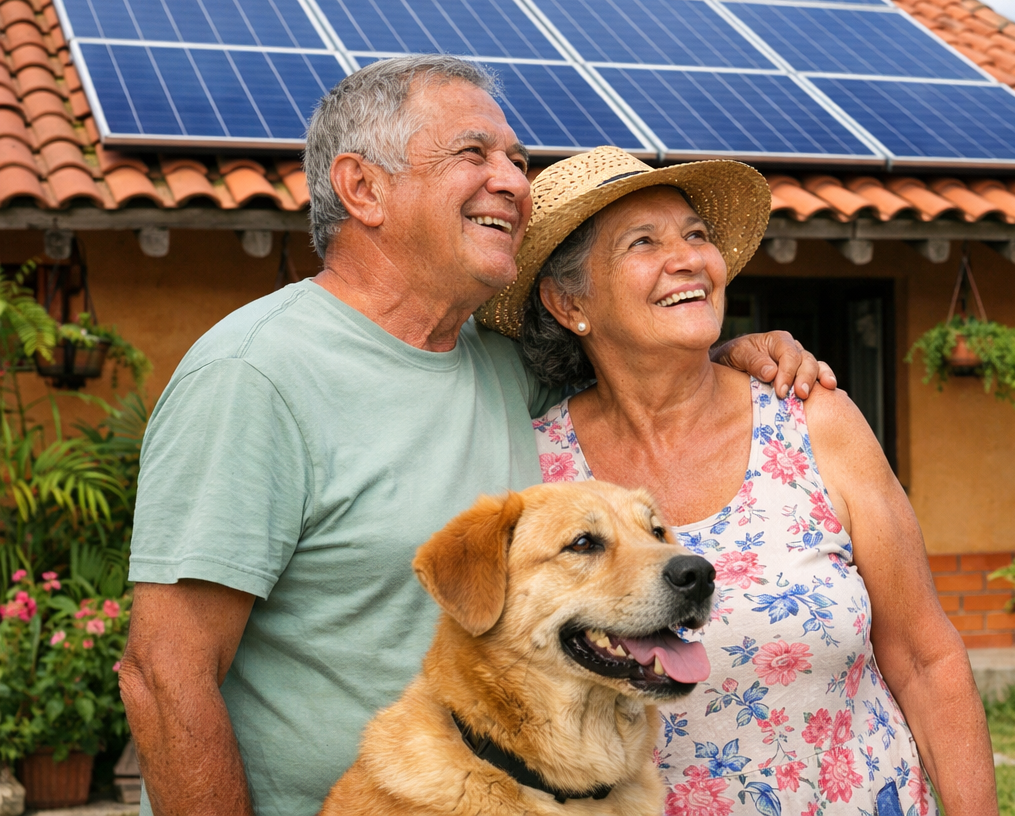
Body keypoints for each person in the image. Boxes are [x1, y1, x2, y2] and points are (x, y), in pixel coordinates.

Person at [119, 56, 834, 816]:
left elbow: (634, 372)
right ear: (363, 189)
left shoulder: (503, 367)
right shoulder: (255, 376)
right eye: (474, 154)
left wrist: (729, 357)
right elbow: (164, 675)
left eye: (518, 162)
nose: (517, 183)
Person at [477, 146, 998, 815]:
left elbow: (928, 660)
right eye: (645, 242)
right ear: (569, 299)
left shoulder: (814, 420)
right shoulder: (539, 473)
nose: (690, 257)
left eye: (697, 235)